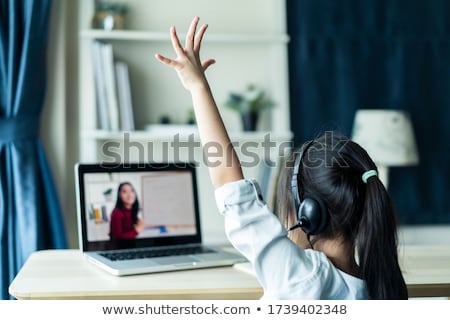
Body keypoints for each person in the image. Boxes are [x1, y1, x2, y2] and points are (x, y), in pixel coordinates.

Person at [155, 17, 408, 300]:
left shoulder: (302, 276)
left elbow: (230, 185)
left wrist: (197, 87)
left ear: (308, 214)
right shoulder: (382, 286)